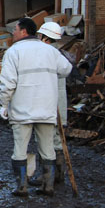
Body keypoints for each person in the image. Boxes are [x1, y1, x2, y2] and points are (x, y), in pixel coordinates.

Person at [0, 17, 72, 197]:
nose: (13, 33)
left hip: (22, 110)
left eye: (15, 30)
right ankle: (48, 186)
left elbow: (8, 82)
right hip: (46, 109)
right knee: (47, 148)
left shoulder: (13, 52)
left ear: (24, 31)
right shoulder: (50, 51)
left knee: (20, 149)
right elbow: (66, 69)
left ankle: (22, 187)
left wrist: (3, 104)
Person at [36, 21, 73, 184]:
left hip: (47, 104)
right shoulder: (58, 53)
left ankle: (47, 176)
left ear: (44, 37)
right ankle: (58, 174)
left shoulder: (46, 53)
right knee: (57, 139)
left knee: (45, 140)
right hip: (58, 105)